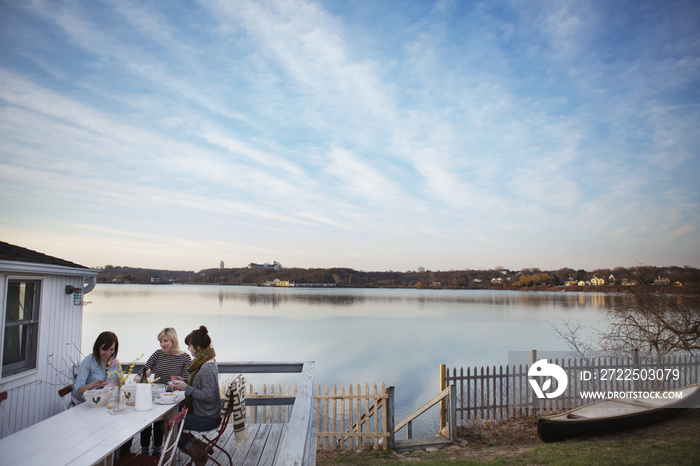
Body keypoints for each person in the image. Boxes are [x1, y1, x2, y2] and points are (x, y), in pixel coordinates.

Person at [134, 327, 192, 457]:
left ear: (173, 340)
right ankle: (144, 449)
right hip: (157, 395)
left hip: (174, 398)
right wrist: (144, 376)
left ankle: (157, 447)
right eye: (160, 341)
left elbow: (187, 380)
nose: (162, 344)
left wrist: (178, 382)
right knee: (146, 414)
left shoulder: (185, 357)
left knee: (159, 417)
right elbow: (139, 375)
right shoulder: (158, 354)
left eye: (165, 341)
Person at [170, 326, 222, 466]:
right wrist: (184, 381)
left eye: (190, 346)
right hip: (207, 413)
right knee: (174, 419)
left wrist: (187, 388)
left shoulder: (206, 367)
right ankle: (200, 446)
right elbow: (202, 386)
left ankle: (197, 454)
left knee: (171, 425)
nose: (188, 349)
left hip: (207, 417)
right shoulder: (206, 361)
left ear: (198, 347)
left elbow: (209, 396)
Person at [72, 331, 120, 405]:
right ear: (98, 347)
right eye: (105, 349)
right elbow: (77, 390)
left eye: (111, 350)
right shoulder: (88, 362)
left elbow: (120, 386)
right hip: (87, 405)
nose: (108, 353)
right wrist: (93, 385)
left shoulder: (115, 363)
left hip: (107, 404)